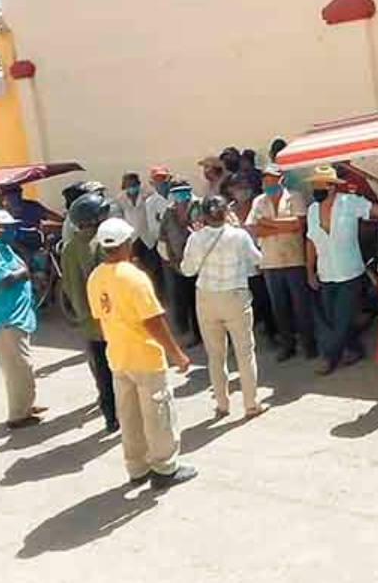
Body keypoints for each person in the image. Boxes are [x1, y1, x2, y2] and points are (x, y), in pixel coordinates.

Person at [87, 218, 197, 489]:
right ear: (126, 243)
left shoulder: (96, 276)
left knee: (129, 416)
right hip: (145, 358)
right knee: (158, 416)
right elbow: (153, 321)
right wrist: (177, 354)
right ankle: (165, 467)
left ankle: (136, 468)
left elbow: (100, 319)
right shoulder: (134, 277)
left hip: (118, 356)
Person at [182, 196, 267, 418]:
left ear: (203, 215)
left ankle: (222, 404)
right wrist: (239, 229)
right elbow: (258, 259)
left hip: (207, 298)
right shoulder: (238, 236)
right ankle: (251, 403)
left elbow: (188, 270)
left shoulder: (196, 238)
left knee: (215, 355)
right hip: (235, 296)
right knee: (245, 353)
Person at [306, 165, 378, 375]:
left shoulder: (349, 203)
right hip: (326, 273)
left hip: (350, 272)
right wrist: (309, 271)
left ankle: (329, 358)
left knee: (340, 318)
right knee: (333, 317)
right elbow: (310, 241)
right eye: (314, 185)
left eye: (319, 184)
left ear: (331, 187)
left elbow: (376, 210)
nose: (315, 188)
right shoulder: (312, 210)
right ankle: (356, 349)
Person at [0, 210, 46, 429]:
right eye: (7, 227)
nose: (12, 230)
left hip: (14, 317)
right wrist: (26, 272)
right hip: (4, 320)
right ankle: (18, 416)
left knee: (21, 366)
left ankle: (25, 404)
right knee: (18, 368)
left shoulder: (2, 248)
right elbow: (3, 281)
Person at [61, 192, 119, 433]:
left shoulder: (69, 248)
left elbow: (67, 286)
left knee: (101, 373)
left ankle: (109, 418)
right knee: (120, 371)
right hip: (110, 320)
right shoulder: (101, 244)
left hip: (87, 323)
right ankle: (123, 414)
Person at [247, 164, 316, 362]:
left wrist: (267, 223)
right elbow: (253, 228)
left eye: (272, 179)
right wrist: (282, 226)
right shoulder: (259, 201)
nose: (269, 183)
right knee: (279, 307)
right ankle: (288, 345)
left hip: (294, 259)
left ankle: (309, 344)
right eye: (266, 179)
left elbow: (298, 225)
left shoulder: (294, 197)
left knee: (301, 305)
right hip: (270, 262)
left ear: (281, 179)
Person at [226, 173, 279, 339]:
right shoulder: (228, 211)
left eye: (245, 187)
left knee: (267, 299)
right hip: (239, 265)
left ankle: (273, 332)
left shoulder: (259, 204)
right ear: (231, 190)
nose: (242, 191)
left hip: (263, 256)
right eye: (238, 188)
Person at [158, 180, 202, 347]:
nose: (180, 196)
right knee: (184, 299)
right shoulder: (169, 212)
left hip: (199, 263)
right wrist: (171, 260)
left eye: (183, 192)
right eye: (176, 192)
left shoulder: (199, 206)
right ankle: (194, 334)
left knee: (200, 300)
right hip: (177, 263)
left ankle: (206, 333)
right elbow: (163, 237)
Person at [117, 173, 156, 279]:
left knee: (151, 269)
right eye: (129, 185)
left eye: (134, 184)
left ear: (138, 184)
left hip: (147, 238)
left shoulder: (148, 195)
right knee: (134, 270)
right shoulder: (120, 199)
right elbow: (119, 218)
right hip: (131, 239)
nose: (132, 188)